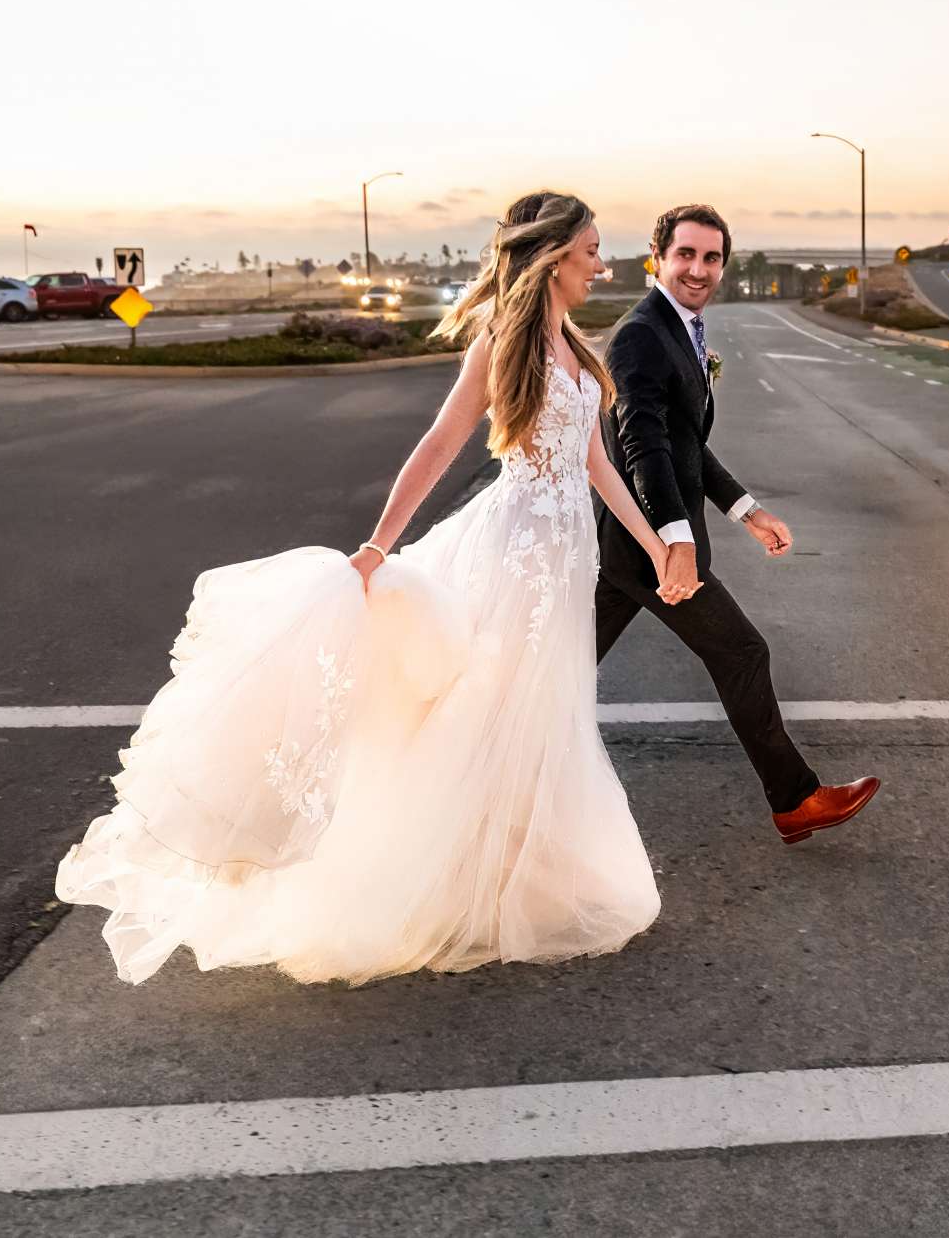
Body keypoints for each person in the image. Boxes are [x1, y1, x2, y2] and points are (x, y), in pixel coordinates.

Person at [56, 192, 685, 984]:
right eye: (592, 248)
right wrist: (376, 546)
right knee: (486, 712)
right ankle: (447, 879)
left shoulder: (573, 344)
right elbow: (442, 442)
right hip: (514, 551)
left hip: (565, 561)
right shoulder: (501, 343)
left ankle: (516, 872)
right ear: (555, 254)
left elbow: (596, 464)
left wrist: (657, 543)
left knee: (544, 715)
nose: (603, 262)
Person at [595, 203, 880, 845]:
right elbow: (642, 441)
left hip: (624, 548)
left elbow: (688, 442)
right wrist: (677, 540)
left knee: (560, 662)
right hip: (647, 546)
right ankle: (796, 799)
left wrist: (746, 511)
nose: (699, 269)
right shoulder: (643, 334)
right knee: (742, 650)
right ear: (658, 258)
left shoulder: (682, 330)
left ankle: (480, 761)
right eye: (685, 255)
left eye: (711, 257)